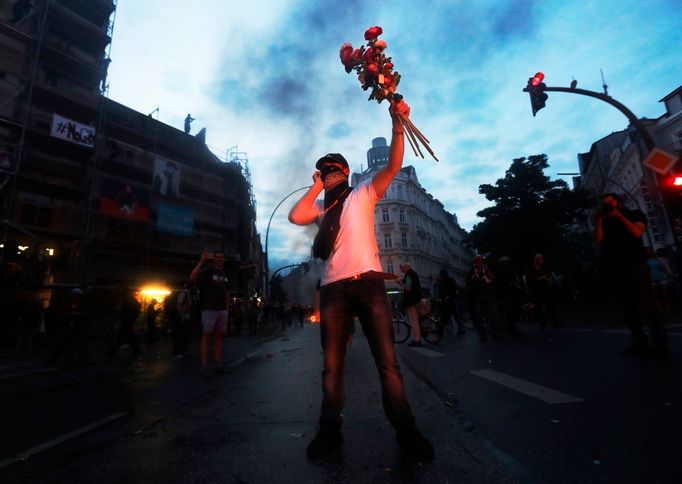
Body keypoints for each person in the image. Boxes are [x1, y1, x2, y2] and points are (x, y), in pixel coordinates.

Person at [288, 98, 433, 462]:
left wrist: (398, 125)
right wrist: (316, 187)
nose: (331, 173)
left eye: (335, 168)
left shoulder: (364, 193)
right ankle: (329, 431)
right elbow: (295, 216)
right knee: (332, 366)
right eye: (325, 170)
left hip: (368, 285)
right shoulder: (323, 208)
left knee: (387, 361)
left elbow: (396, 163)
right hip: (334, 289)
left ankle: (406, 429)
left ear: (348, 169)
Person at [596, 193, 669, 359]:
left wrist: (619, 216)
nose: (608, 206)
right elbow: (599, 240)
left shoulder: (635, 214)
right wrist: (600, 220)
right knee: (627, 308)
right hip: (615, 267)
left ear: (618, 202)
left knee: (649, 306)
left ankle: (660, 344)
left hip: (636, 264)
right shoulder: (605, 221)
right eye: (604, 204)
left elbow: (637, 232)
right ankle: (639, 342)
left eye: (610, 202)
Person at [190, 250, 229, 376]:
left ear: (224, 259)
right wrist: (201, 261)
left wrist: (227, 309)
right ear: (214, 259)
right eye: (217, 257)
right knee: (206, 337)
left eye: (221, 257)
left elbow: (227, 292)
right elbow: (193, 277)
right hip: (209, 309)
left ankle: (218, 364)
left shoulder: (224, 273)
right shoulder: (209, 270)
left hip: (222, 310)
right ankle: (204, 367)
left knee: (218, 338)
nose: (219, 259)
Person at [467, 256, 501, 341]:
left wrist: (488, 272)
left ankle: (495, 333)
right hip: (477, 297)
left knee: (493, 315)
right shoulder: (472, 272)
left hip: (488, 295)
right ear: (475, 263)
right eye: (478, 262)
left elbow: (493, 279)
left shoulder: (486, 270)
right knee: (479, 317)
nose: (480, 263)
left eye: (481, 261)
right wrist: (471, 279)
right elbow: (468, 283)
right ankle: (482, 335)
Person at [525, 253, 558, 328]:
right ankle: (542, 323)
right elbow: (529, 279)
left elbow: (549, 275)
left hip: (546, 289)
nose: (542, 261)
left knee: (551, 305)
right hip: (536, 290)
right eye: (540, 259)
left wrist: (549, 279)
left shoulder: (544, 267)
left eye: (542, 259)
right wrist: (540, 278)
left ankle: (555, 322)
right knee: (538, 307)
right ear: (536, 260)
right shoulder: (530, 268)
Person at [109, 287, 141, 359]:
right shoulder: (131, 300)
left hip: (127, 322)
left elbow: (125, 311)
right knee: (130, 337)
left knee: (121, 338)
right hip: (128, 321)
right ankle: (137, 351)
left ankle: (111, 352)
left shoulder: (128, 300)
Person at [399, 262, 423, 346]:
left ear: (406, 267)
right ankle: (419, 335)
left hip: (411, 301)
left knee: (413, 320)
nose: (401, 270)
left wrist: (400, 283)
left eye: (401, 268)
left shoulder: (409, 275)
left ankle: (417, 340)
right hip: (416, 300)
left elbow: (408, 288)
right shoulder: (413, 274)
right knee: (416, 319)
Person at [436, 268, 464, 335]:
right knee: (452, 316)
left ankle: (441, 330)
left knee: (448, 316)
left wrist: (448, 296)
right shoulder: (442, 281)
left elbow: (452, 289)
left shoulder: (448, 280)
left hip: (450, 300)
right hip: (448, 300)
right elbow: (441, 290)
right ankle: (441, 330)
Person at [173, 283, 193, 358]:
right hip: (182, 317)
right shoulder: (184, 294)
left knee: (184, 335)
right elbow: (179, 304)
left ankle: (182, 350)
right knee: (181, 335)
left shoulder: (186, 294)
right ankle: (179, 351)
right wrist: (182, 315)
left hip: (185, 317)